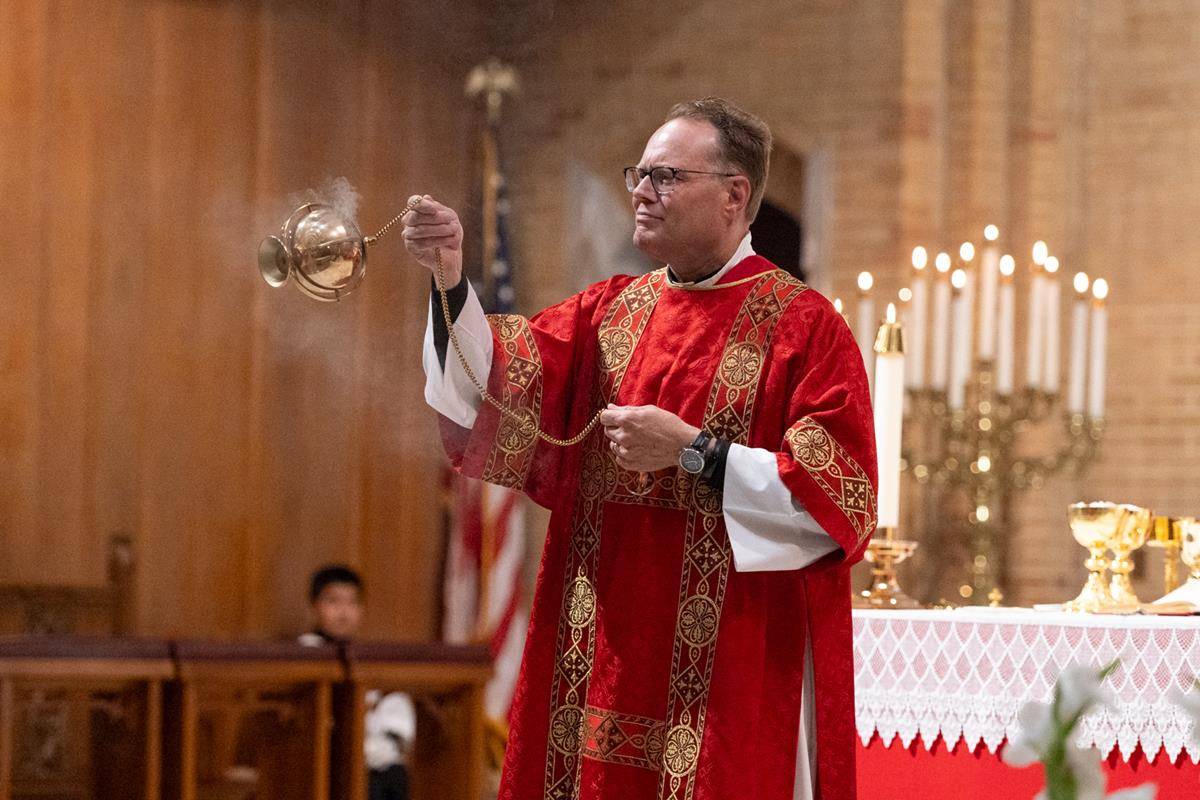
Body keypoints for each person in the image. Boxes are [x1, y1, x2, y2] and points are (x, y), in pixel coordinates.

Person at [408, 97, 877, 800]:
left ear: (734, 195)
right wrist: (450, 275)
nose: (640, 191)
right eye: (638, 173)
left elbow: (841, 502)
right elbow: (495, 385)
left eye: (664, 176)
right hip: (595, 655)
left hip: (730, 674)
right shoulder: (608, 313)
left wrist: (696, 451)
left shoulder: (803, 328)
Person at [299, 565, 415, 800]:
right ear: (314, 606)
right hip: (323, 761)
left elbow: (396, 720)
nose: (343, 612)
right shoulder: (303, 655)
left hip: (375, 764)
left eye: (352, 603)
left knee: (393, 773)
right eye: (333, 602)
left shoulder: (368, 659)